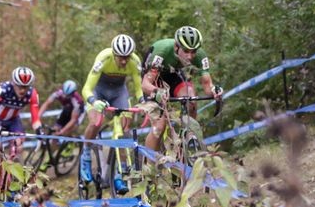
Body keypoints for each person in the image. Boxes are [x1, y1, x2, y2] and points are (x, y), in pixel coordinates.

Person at [139, 25, 222, 152]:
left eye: (193, 51)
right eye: (186, 51)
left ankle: (190, 135)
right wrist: (157, 92)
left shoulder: (200, 56)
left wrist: (215, 91)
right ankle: (150, 166)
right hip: (154, 78)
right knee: (159, 127)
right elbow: (145, 85)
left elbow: (207, 86)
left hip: (173, 74)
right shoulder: (162, 52)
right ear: (176, 47)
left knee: (190, 98)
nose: (190, 56)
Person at [79, 34, 144, 193]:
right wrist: (94, 101)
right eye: (120, 57)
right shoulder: (103, 58)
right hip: (98, 90)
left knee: (123, 131)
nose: (123, 61)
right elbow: (86, 89)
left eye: (126, 58)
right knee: (96, 122)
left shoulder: (135, 62)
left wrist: (143, 102)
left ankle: (119, 174)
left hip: (118, 92)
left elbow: (138, 88)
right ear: (114, 54)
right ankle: (85, 156)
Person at [0, 66, 40, 192]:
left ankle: (18, 179)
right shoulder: (3, 89)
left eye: (26, 87)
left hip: (13, 121)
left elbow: (35, 118)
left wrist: (39, 131)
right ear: (13, 83)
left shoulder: (32, 94)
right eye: (19, 86)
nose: (23, 90)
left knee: (19, 147)